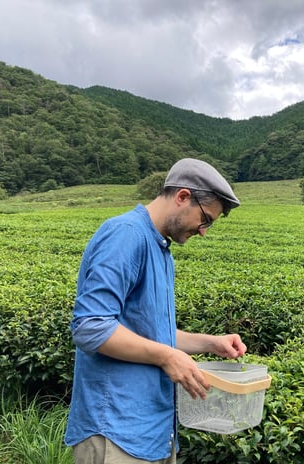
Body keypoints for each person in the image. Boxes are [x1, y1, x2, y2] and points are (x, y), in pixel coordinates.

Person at [65, 158, 247, 463]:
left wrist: (209, 343)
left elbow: (149, 332)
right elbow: (91, 326)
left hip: (153, 432)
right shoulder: (126, 235)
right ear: (182, 197)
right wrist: (167, 356)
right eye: (205, 220)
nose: (204, 231)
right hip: (116, 433)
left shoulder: (160, 249)